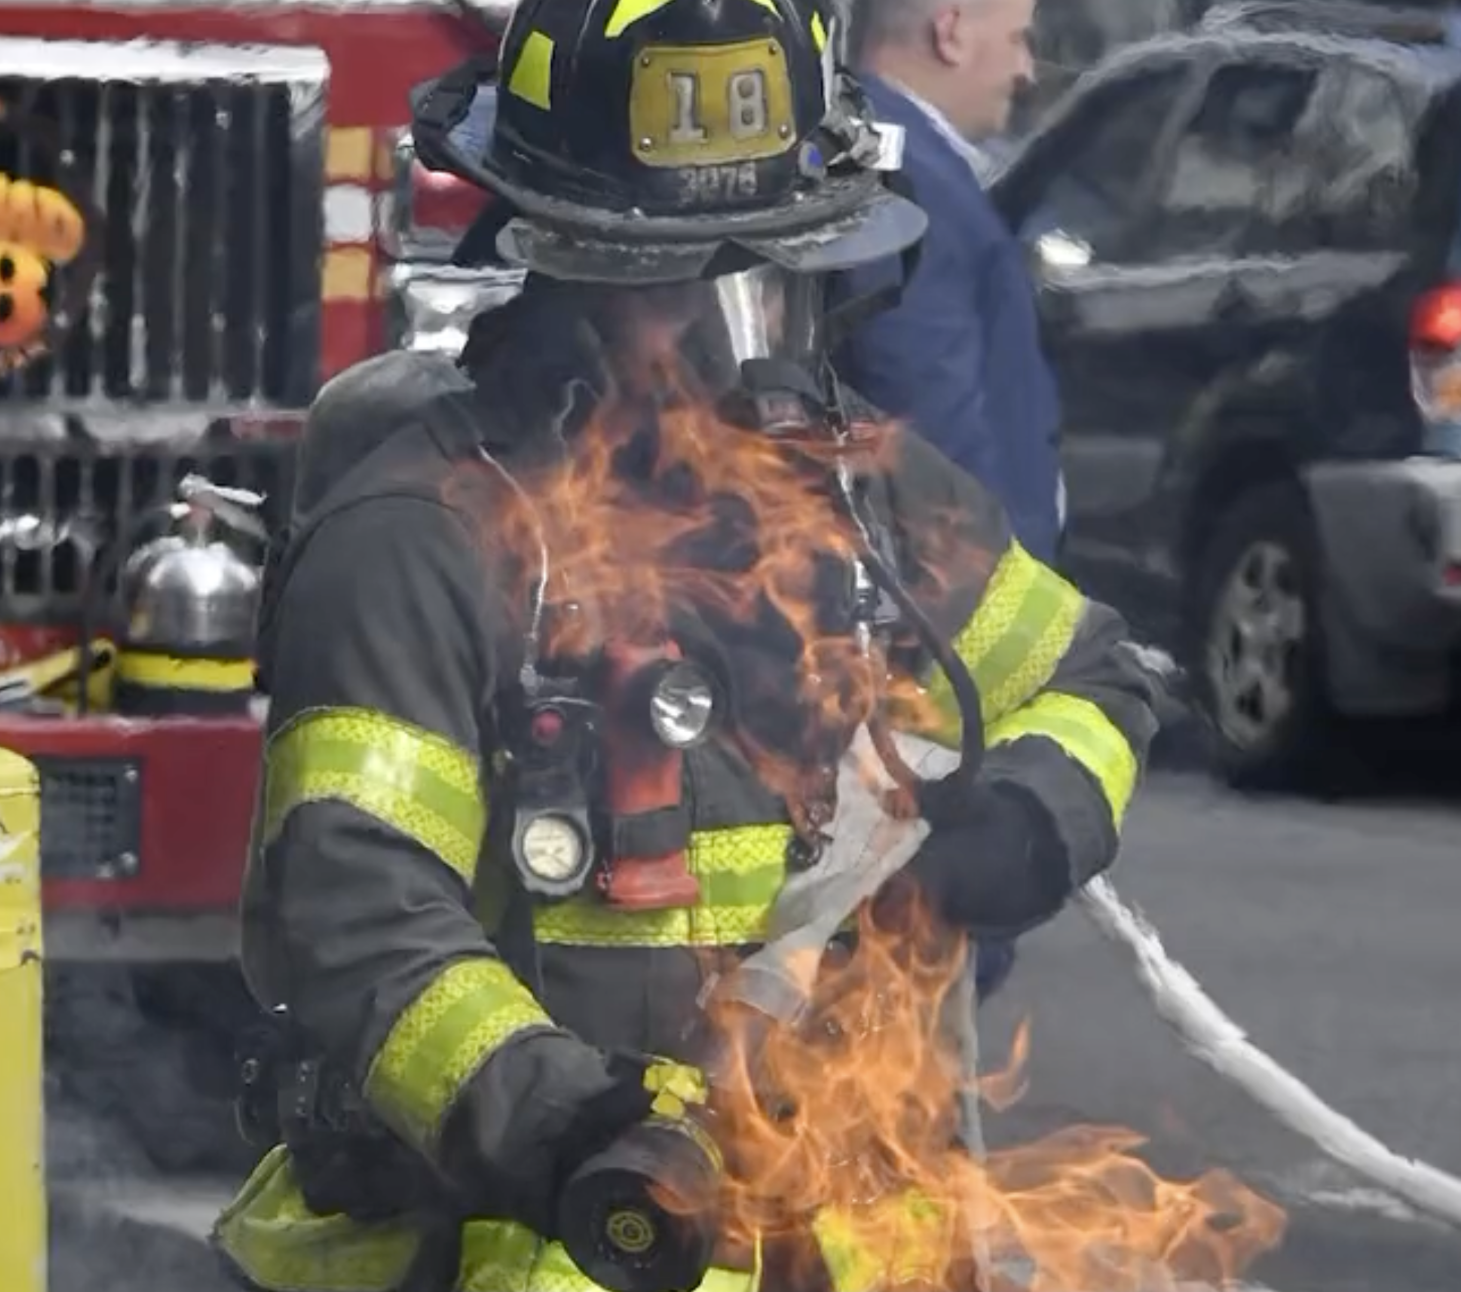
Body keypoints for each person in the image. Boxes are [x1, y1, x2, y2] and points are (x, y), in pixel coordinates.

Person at [209, 0, 1157, 1289]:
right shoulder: (426, 539)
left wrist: (1009, 832)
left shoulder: (866, 495)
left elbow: (1088, 678)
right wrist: (581, 1124)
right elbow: (360, 915)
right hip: (536, 1248)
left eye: (767, 284)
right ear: (564, 274)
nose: (728, 351)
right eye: (673, 288)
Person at [833, 0, 1065, 565]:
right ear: (951, 32)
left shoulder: (884, 152)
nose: (1026, 71)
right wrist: (990, 578)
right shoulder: (910, 184)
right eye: (1019, 40)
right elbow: (932, 425)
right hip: (967, 602)